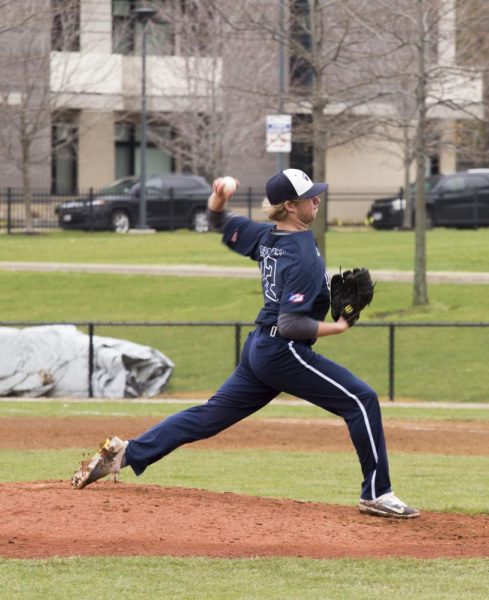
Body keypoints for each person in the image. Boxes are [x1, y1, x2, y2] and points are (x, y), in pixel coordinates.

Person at [71, 168, 420, 519]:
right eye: (308, 197)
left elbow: (216, 218)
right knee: (361, 400)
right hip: (284, 351)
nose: (317, 199)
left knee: (207, 417)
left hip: (259, 350)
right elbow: (292, 323)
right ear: (289, 206)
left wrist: (220, 195)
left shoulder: (267, 236)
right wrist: (339, 326)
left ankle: (124, 455)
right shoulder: (300, 254)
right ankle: (377, 493)